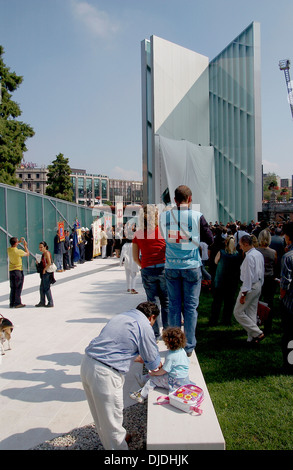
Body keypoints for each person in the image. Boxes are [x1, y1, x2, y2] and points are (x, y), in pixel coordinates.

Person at [80, 301, 162, 450]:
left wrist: (135, 357)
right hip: (105, 374)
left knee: (100, 416)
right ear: (151, 317)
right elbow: (152, 360)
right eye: (153, 322)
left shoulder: (121, 317)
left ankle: (114, 440)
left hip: (87, 363)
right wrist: (159, 366)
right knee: (112, 418)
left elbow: (115, 346)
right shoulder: (144, 325)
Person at [159, 185, 213, 356]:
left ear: (175, 200)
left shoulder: (164, 216)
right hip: (191, 266)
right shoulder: (197, 216)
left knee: (173, 306)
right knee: (190, 308)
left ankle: (174, 344)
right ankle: (188, 346)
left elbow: (162, 237)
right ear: (190, 199)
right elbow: (210, 239)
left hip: (172, 266)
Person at [133, 205, 169, 340]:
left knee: (152, 303)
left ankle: (154, 333)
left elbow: (136, 258)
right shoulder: (163, 231)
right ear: (156, 216)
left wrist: (145, 266)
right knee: (166, 302)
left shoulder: (138, 234)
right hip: (164, 268)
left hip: (147, 269)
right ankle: (167, 331)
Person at [129, 327, 193, 403]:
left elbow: (163, 371)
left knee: (154, 379)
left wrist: (154, 373)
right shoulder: (182, 351)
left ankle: (141, 395)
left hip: (174, 382)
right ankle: (143, 379)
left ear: (168, 342)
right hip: (183, 379)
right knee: (157, 375)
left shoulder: (171, 356)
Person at [233, 235, 265, 343]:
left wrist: (243, 294)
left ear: (246, 244)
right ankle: (251, 338)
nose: (240, 247)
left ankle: (257, 333)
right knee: (251, 311)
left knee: (238, 312)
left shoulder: (249, 257)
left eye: (241, 245)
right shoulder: (258, 254)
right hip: (258, 285)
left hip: (250, 286)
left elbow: (248, 277)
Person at [210, 235, 241, 326]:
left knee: (217, 302)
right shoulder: (237, 254)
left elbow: (215, 262)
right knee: (229, 302)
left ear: (225, 243)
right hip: (232, 282)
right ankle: (226, 320)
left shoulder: (221, 252)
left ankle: (214, 320)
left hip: (220, 281)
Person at [257, 229, 277, 334]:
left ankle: (256, 323)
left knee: (255, 303)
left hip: (258, 279)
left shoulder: (256, 251)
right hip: (269, 279)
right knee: (269, 303)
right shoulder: (273, 253)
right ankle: (268, 326)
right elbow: (275, 266)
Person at [279, 222, 293, 374]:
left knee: (289, 336)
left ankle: (289, 365)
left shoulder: (288, 257)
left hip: (290, 303)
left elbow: (285, 284)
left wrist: (282, 298)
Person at [7, 236, 30, 308]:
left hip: (11, 271)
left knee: (13, 287)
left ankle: (12, 302)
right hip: (18, 270)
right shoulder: (18, 251)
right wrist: (25, 246)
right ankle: (17, 303)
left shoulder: (9, 250)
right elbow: (27, 253)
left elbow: (13, 244)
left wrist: (19, 241)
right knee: (18, 287)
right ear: (16, 243)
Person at [35, 241, 54, 308]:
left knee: (46, 287)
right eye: (39, 247)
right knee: (42, 288)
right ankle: (42, 301)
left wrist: (44, 269)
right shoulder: (43, 254)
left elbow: (49, 263)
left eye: (41, 247)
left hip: (47, 273)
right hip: (45, 272)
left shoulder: (46, 253)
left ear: (45, 247)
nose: (40, 248)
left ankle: (50, 302)